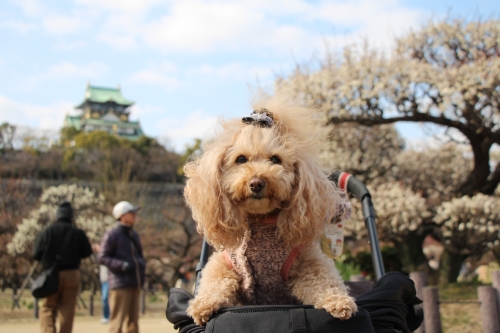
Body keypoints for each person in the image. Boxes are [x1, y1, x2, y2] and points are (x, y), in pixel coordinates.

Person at [33, 201, 93, 333]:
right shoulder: (77, 232)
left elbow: (36, 254)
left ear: (57, 216)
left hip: (50, 274)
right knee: (67, 308)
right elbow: (87, 252)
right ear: (71, 217)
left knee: (48, 307)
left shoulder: (47, 231)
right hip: (72, 273)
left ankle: (48, 331)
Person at [98, 201, 145, 333]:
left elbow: (139, 256)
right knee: (117, 321)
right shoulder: (112, 234)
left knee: (133, 322)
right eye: (131, 212)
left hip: (134, 283)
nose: (134, 215)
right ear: (122, 216)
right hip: (119, 283)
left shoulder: (134, 234)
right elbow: (102, 256)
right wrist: (122, 265)